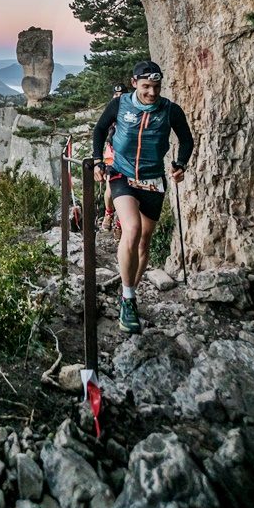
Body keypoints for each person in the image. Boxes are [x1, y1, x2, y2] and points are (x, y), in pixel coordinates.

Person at [92, 61, 193, 335]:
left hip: (153, 180)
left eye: (156, 87)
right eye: (146, 86)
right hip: (122, 175)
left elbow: (186, 139)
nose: (151, 92)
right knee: (132, 229)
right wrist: (100, 160)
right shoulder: (120, 104)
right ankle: (128, 298)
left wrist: (180, 164)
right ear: (135, 82)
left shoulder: (170, 110)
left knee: (144, 241)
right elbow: (100, 130)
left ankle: (130, 292)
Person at [102, 83, 126, 236]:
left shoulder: (132, 111)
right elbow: (100, 131)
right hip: (112, 156)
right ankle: (109, 213)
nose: (118, 98)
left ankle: (120, 223)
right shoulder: (110, 111)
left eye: (122, 95)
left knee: (127, 192)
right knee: (110, 190)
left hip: (127, 158)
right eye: (116, 95)